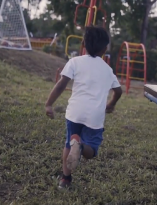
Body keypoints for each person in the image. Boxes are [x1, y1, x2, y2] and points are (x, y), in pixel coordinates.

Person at [44, 25, 123, 189]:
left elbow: (61, 85)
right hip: (95, 116)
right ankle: (79, 146)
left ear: (84, 45)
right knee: (91, 151)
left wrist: (49, 104)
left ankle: (65, 179)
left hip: (74, 112)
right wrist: (111, 104)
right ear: (105, 48)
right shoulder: (107, 70)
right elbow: (118, 91)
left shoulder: (74, 62)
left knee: (68, 144)